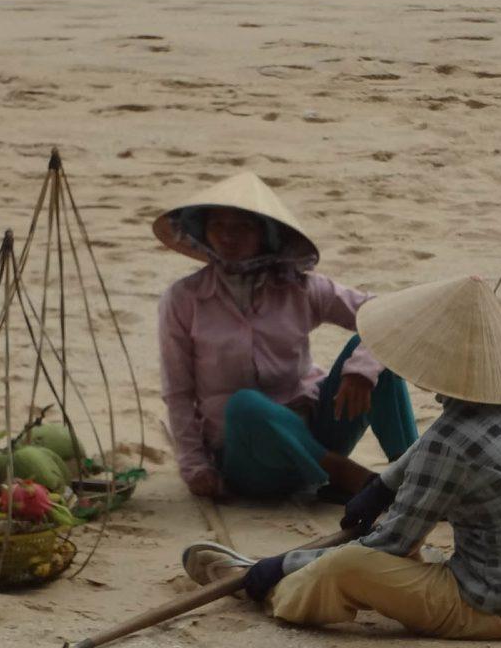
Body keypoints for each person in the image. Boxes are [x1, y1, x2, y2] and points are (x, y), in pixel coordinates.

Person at [183, 275, 501, 639]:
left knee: (349, 567)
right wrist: (383, 485)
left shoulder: (452, 445)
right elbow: (436, 442)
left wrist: (283, 562)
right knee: (395, 555)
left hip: (500, 610)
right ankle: (280, 570)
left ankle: (264, 584)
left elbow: (388, 544)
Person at [154, 171, 418, 501]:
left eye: (241, 227)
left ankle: (415, 477)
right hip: (248, 457)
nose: (227, 237)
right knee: (245, 404)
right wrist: (195, 467)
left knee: (376, 356)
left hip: (313, 431)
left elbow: (385, 314)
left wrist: (363, 371)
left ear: (267, 234)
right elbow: (178, 393)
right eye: (218, 226)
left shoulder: (301, 287)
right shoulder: (183, 299)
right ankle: (343, 472)